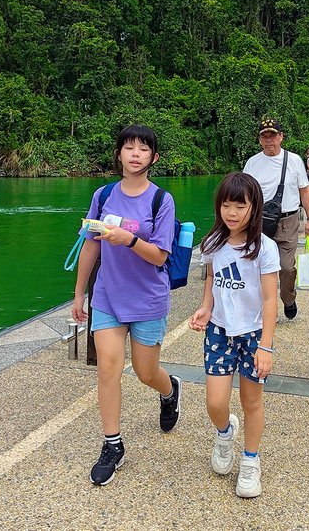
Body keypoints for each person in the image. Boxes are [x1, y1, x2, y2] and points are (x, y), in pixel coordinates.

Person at [72, 124, 181, 486]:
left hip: (148, 297)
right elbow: (90, 246)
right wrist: (78, 295)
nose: (135, 154)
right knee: (108, 368)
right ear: (118, 153)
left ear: (154, 157)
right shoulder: (103, 196)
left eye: (143, 149)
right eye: (129, 147)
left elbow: (159, 256)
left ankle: (169, 392)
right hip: (107, 297)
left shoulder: (160, 200)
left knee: (147, 372)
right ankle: (112, 445)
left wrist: (128, 239)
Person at [189, 172, 280, 498]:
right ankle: (225, 432)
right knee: (215, 402)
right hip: (219, 332)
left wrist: (266, 347)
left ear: (253, 208)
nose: (232, 213)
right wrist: (205, 308)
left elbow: (271, 299)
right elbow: (212, 279)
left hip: (253, 334)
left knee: (251, 400)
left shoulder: (264, 248)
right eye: (226, 205)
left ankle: (251, 461)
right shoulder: (213, 243)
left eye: (239, 206)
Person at [243, 117, 309, 320]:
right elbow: (245, 194)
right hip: (259, 221)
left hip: (288, 221)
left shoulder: (293, 160)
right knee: (257, 265)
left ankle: (288, 297)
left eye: (273, 135)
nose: (269, 140)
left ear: (281, 137)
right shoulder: (252, 163)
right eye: (264, 136)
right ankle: (265, 308)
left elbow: (305, 190)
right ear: (259, 140)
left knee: (286, 267)